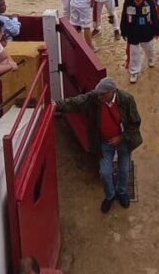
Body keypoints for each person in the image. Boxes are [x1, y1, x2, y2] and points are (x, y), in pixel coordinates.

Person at [56, 76, 143, 212]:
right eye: (98, 94)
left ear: (111, 92)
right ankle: (110, 195)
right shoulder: (94, 98)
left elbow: (135, 123)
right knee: (104, 172)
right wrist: (58, 105)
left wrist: (121, 137)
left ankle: (121, 192)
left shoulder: (127, 99)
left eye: (102, 94)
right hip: (104, 141)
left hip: (124, 141)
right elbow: (77, 102)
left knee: (124, 169)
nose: (99, 97)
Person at [121, 0, 159, 83]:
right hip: (133, 31)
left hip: (146, 30)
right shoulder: (128, 1)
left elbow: (154, 16)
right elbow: (124, 16)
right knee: (134, 52)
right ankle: (134, 71)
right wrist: (123, 31)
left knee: (149, 47)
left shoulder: (149, 1)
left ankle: (150, 58)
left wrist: (157, 29)